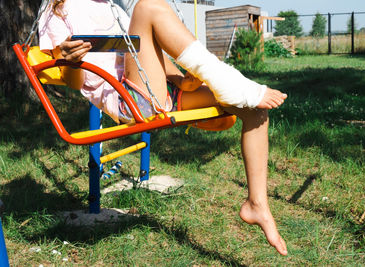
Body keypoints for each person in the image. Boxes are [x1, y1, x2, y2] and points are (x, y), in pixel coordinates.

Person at [39, 0, 288, 255]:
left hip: (159, 90)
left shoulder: (109, 8)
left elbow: (147, 55)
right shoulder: (55, 13)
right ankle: (228, 80)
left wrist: (186, 79)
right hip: (130, 101)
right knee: (147, 6)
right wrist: (70, 62)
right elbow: (73, 82)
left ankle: (257, 205)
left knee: (255, 109)